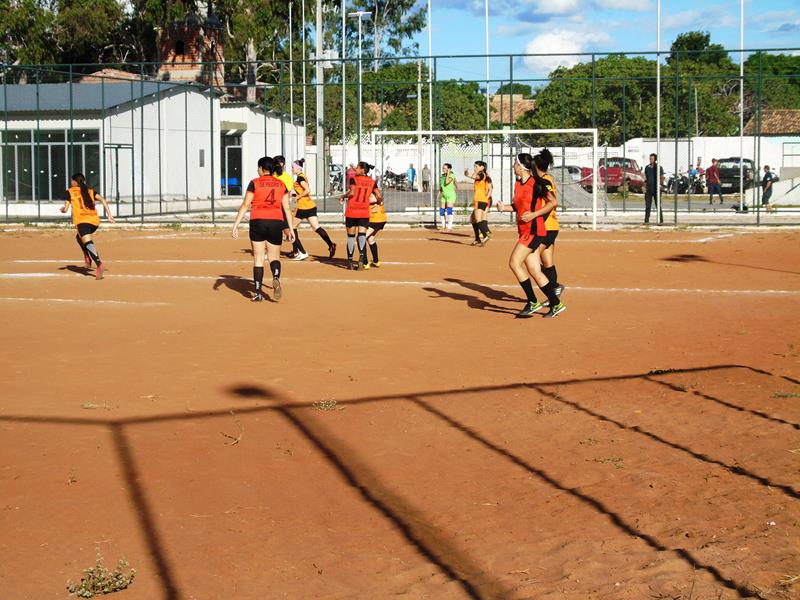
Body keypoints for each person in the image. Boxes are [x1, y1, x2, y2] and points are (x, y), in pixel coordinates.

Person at [495, 150, 564, 319]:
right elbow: (518, 206)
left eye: (515, 164)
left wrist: (534, 214)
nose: (513, 167)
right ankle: (556, 303)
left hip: (534, 231)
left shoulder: (537, 183)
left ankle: (532, 301)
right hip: (524, 230)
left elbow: (553, 202)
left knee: (514, 263)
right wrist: (504, 208)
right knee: (534, 269)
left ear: (521, 166)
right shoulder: (518, 184)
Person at [232, 156, 295, 302]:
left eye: (258, 167)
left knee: (258, 258)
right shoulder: (281, 184)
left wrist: (236, 225)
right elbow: (286, 208)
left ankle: (258, 293)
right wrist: (291, 229)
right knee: (274, 257)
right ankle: (276, 277)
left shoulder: (254, 183)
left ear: (261, 168)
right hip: (276, 221)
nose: (257, 170)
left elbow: (245, 205)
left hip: (258, 221)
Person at [60, 173, 116, 280]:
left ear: (74, 182)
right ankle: (87, 257)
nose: (71, 183)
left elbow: (66, 209)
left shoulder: (69, 192)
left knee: (88, 242)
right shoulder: (90, 191)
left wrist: (62, 209)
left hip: (82, 221)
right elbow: (103, 200)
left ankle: (99, 264)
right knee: (79, 238)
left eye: (72, 181)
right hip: (94, 221)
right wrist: (109, 215)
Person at [289, 159, 336, 260]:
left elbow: (307, 190)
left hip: (303, 207)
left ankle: (298, 251)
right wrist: (295, 195)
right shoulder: (302, 177)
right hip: (310, 206)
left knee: (292, 228)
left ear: (297, 168)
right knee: (316, 227)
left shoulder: (300, 178)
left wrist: (297, 197)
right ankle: (331, 244)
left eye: (293, 167)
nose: (292, 169)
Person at [342, 161, 382, 270]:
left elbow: (352, 193)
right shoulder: (372, 181)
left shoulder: (353, 179)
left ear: (362, 170)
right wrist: (378, 203)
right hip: (364, 212)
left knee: (351, 237)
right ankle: (361, 260)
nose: (355, 169)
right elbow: (379, 196)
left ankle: (350, 262)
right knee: (362, 236)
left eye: (357, 167)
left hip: (352, 211)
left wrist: (343, 196)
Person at [464, 161, 493, 245]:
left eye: (476, 166)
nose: (475, 168)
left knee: (478, 219)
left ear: (482, 167)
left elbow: (475, 176)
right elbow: (473, 176)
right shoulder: (482, 175)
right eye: (474, 166)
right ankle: (477, 239)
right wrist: (466, 174)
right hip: (479, 199)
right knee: (473, 219)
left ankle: (485, 235)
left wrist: (469, 174)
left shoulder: (481, 174)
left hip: (480, 200)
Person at [366, 190, 387, 268]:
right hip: (380, 218)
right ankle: (376, 261)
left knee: (360, 238)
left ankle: (364, 262)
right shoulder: (375, 192)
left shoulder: (371, 193)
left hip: (375, 219)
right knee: (370, 239)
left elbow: (375, 199)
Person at [644, 153, 664, 225]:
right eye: (650, 158)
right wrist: (644, 186)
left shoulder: (658, 167)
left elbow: (661, 177)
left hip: (656, 190)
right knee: (648, 205)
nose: (651, 160)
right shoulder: (647, 167)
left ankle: (660, 221)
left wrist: (660, 185)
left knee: (658, 205)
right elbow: (645, 178)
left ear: (655, 159)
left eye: (652, 159)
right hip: (649, 189)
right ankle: (646, 221)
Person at [437, 163, 458, 231]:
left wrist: (448, 173)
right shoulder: (442, 176)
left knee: (449, 210)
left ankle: (449, 227)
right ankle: (443, 226)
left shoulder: (451, 175)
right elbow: (442, 185)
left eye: (445, 168)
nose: (443, 169)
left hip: (450, 195)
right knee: (441, 211)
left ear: (449, 169)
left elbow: (446, 182)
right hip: (444, 195)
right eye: (443, 168)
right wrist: (439, 193)